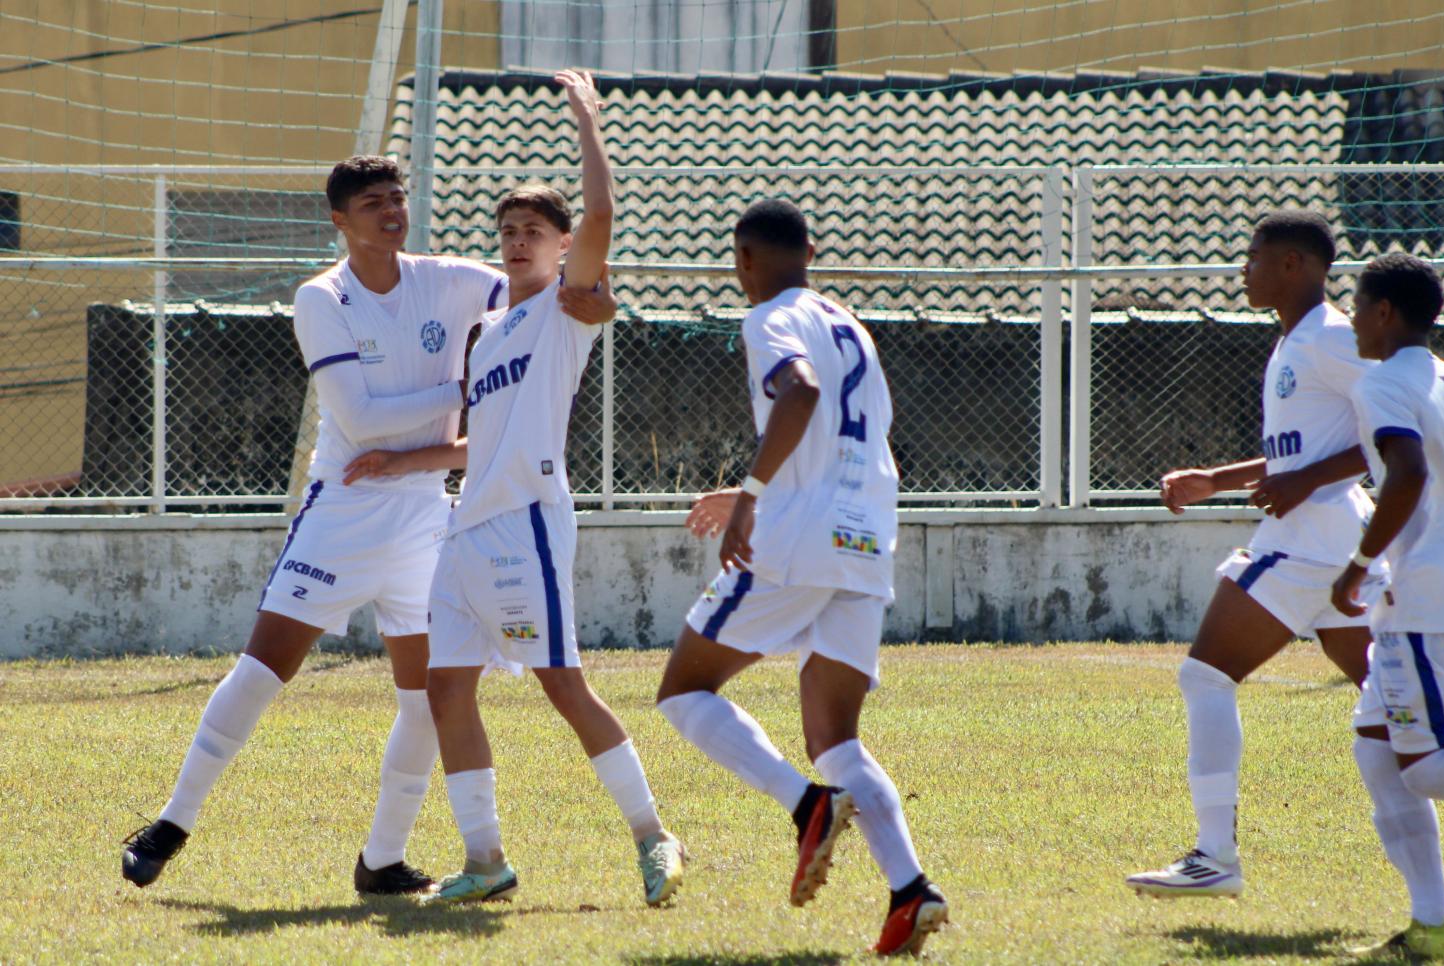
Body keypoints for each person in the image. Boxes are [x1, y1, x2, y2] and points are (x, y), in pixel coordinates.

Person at [120, 154, 614, 895]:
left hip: (426, 515)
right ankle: (172, 822)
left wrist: (599, 299)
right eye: (373, 202)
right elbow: (359, 418)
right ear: (340, 221)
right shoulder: (323, 297)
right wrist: (468, 384)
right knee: (262, 670)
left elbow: (545, 284)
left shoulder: (451, 278)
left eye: (397, 198)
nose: (391, 211)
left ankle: (383, 858)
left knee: (428, 696)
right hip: (345, 509)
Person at [344, 70, 686, 909]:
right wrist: (408, 464)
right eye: (506, 229)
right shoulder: (488, 330)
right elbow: (479, 445)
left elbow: (601, 217)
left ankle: (653, 834)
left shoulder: (568, 308)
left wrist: (589, 122)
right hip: (466, 532)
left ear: (563, 246)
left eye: (533, 228)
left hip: (528, 525)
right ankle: (485, 856)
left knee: (563, 684)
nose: (516, 239)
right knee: (443, 688)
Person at [654, 197, 948, 957]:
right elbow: (852, 435)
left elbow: (802, 390)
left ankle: (806, 807)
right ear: (810, 250)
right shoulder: (853, 326)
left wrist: (752, 500)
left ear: (742, 261)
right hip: (863, 536)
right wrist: (763, 488)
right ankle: (911, 891)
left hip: (797, 539)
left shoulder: (768, 318)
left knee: (684, 689)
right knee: (836, 737)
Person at [1127, 210, 1388, 897]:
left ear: (1294, 265)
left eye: (1254, 256)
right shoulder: (1297, 341)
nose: (1243, 268)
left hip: (1310, 536)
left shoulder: (1331, 337)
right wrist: (1217, 480)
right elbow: (1295, 455)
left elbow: (1401, 422)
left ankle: (1215, 856)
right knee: (1392, 701)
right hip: (1335, 539)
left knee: (1206, 676)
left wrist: (1308, 481)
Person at [1332, 253, 1444, 958]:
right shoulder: (1443, 378)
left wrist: (1357, 564)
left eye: (1356, 302)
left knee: (1425, 767)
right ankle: (1433, 926)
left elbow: (1403, 474)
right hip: (1417, 596)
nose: (1349, 317)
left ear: (1383, 313)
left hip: (1423, 598)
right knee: (1376, 752)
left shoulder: (1381, 382)